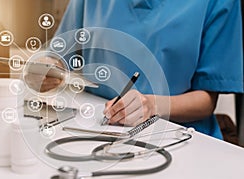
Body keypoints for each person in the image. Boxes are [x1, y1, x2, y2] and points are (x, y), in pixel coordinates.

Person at [31, 0, 243, 139]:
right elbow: (57, 56)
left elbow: (206, 100)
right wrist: (47, 69)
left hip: (176, 135)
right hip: (92, 127)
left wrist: (150, 106)